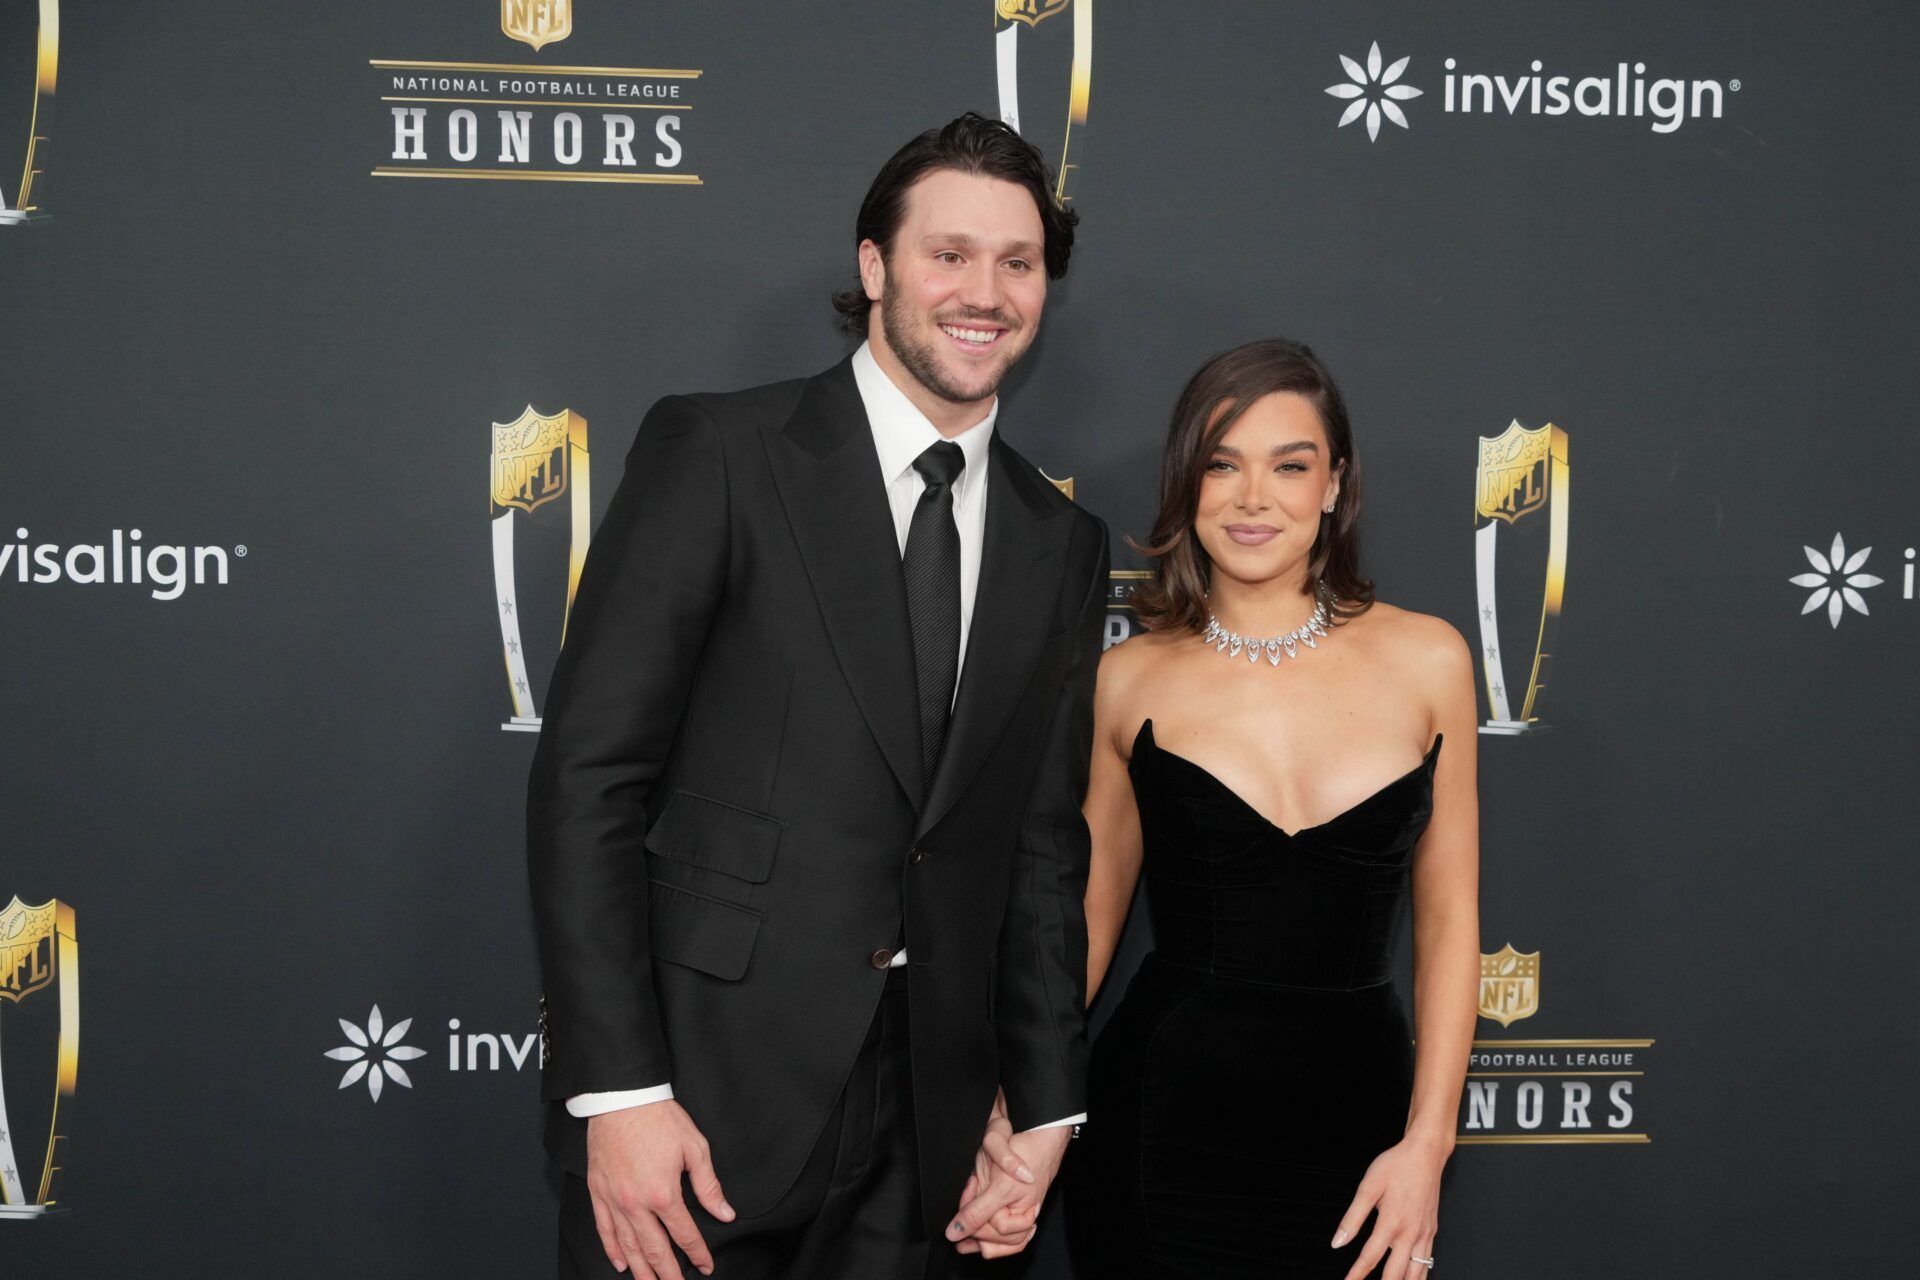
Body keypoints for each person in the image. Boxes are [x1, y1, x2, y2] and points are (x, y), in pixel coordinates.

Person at [526, 113, 1109, 1280]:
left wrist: (1042, 1110)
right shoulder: (723, 452)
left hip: (929, 1138)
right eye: (948, 253)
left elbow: (1042, 845)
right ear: (874, 266)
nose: (983, 291)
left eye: (1017, 261)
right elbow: (590, 777)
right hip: (697, 1106)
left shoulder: (1063, 539)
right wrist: (622, 1092)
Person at [1062, 339, 1479, 1279]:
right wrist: (1019, 1106)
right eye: (1223, 464)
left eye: (1290, 466)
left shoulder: (1431, 660)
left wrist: (1429, 1144)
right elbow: (1085, 924)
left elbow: (1451, 923)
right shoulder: (1125, 680)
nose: (1255, 499)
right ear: (1187, 485)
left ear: (1334, 485)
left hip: (1361, 1131)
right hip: (1159, 1126)